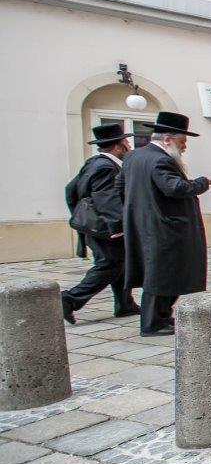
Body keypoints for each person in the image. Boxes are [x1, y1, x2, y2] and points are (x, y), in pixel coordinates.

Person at [118, 112, 211, 336]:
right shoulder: (161, 160)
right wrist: (202, 183)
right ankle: (153, 323)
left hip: (145, 223)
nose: (184, 147)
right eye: (182, 141)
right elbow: (174, 188)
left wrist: (133, 211)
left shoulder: (134, 156)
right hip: (165, 227)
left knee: (159, 273)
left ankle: (161, 317)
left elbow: (120, 186)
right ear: (167, 139)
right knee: (163, 275)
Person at [61, 123, 139, 324]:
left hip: (96, 225)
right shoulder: (106, 167)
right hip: (107, 228)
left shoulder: (93, 163)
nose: (129, 145)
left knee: (119, 263)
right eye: (126, 142)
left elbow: (70, 190)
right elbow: (107, 198)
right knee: (109, 265)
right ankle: (70, 299)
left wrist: (81, 215)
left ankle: (125, 304)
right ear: (118, 146)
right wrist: (118, 226)